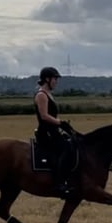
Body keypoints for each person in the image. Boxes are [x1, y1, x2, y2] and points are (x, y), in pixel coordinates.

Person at [34, 66, 75, 198]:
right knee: (66, 149)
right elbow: (44, 116)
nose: (56, 82)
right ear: (47, 79)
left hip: (53, 131)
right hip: (46, 133)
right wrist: (60, 122)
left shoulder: (48, 94)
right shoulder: (41, 95)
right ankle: (59, 184)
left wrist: (62, 125)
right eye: (55, 79)